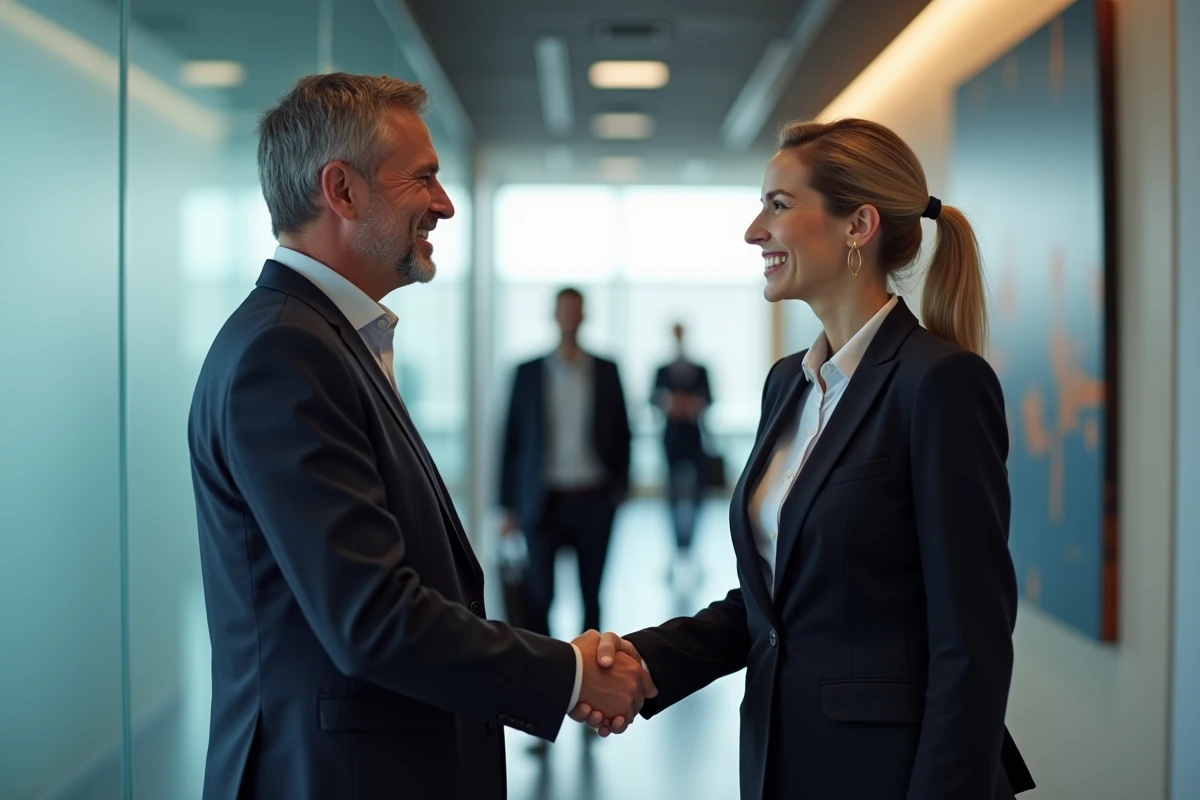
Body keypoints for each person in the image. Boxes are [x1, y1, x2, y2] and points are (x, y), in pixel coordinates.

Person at [187, 73, 653, 800]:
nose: (445, 203)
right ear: (341, 192)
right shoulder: (285, 354)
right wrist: (567, 673)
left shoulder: (328, 340)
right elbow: (371, 617)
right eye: (424, 179)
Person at [573, 118, 1036, 799]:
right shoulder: (788, 383)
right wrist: (645, 660)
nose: (754, 230)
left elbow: (972, 645)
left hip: (891, 775)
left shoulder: (938, 384)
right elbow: (774, 604)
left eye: (778, 205)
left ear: (858, 226)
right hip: (780, 763)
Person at [500, 288, 632, 641]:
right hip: (543, 500)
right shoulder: (527, 372)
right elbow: (511, 440)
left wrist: (620, 488)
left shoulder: (606, 369)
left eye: (576, 310)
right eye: (564, 310)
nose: (570, 317)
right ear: (555, 315)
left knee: (592, 595)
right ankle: (545, 668)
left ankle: (593, 670)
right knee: (540, 594)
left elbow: (623, 430)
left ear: (584, 315)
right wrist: (508, 508)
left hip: (594, 499)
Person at [651, 323, 712, 582]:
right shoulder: (661, 370)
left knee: (697, 500)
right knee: (672, 499)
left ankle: (692, 551)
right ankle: (675, 551)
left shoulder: (700, 369)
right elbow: (653, 399)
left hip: (695, 442)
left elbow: (709, 399)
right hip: (671, 442)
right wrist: (673, 404)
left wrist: (684, 404)